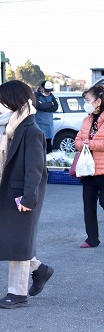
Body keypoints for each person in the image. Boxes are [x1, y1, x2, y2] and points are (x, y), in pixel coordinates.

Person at [0, 80, 53, 309]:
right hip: (6, 191)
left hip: (22, 195)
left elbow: (35, 169)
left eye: (3, 100)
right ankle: (40, 269)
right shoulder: (7, 126)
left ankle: (17, 294)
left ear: (13, 100)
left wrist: (28, 198)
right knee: (13, 241)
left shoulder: (31, 130)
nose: (0, 105)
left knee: (18, 243)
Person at [74, 84, 104, 249]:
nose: (85, 103)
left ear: (98, 101)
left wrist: (91, 144)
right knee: (88, 204)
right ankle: (92, 239)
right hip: (88, 170)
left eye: (88, 100)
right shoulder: (87, 119)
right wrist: (81, 144)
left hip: (103, 169)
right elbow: (77, 139)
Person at [34, 80, 58, 153]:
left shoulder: (51, 95)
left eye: (49, 91)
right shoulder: (35, 95)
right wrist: (50, 104)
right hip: (39, 123)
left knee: (49, 142)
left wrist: (45, 107)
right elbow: (39, 106)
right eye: (47, 90)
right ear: (41, 88)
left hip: (49, 123)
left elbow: (56, 106)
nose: (48, 92)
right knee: (40, 142)